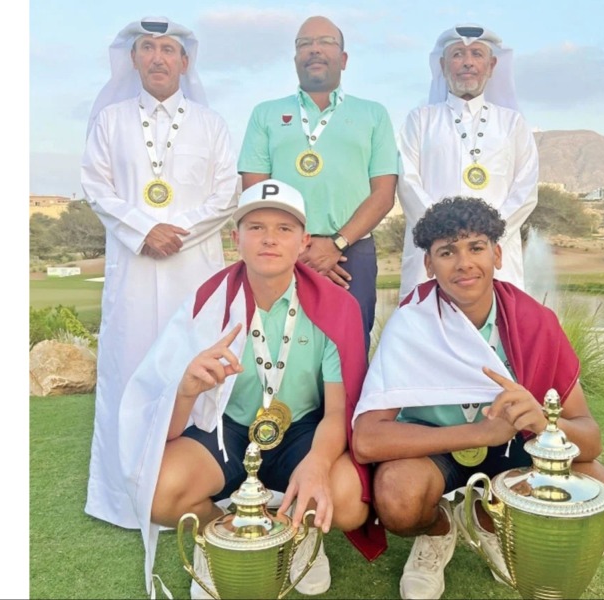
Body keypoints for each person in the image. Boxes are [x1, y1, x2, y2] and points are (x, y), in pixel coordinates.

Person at [117, 180, 386, 598]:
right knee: (157, 487)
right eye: (256, 227)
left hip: (301, 429)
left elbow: (337, 412)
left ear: (303, 242)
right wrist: (186, 389)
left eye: (284, 229)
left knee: (348, 498)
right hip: (228, 429)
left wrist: (316, 462)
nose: (269, 239)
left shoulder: (336, 307)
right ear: (235, 238)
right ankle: (220, 538)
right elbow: (163, 432)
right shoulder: (207, 302)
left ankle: (298, 536)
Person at [352, 197, 604, 600]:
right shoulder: (411, 325)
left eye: (476, 247)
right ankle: (439, 530)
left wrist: (542, 421)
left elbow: (589, 439)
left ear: (497, 254)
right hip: (438, 450)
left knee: (603, 489)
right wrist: (479, 432)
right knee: (399, 497)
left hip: (513, 447)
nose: (463, 263)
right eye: (447, 252)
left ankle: (488, 519)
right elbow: (367, 440)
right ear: (428, 265)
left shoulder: (534, 321)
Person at [80, 17, 239, 535]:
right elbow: (96, 187)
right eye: (147, 48)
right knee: (129, 371)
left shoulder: (211, 124)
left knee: (193, 370)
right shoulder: (109, 120)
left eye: (168, 49)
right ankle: (124, 499)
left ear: (185, 62)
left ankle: (191, 486)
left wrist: (176, 232)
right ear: (133, 59)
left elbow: (225, 195)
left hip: (194, 274)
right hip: (132, 272)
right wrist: (144, 231)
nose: (157, 58)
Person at [238, 15, 399, 346]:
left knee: (349, 347)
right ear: (295, 59)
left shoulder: (374, 114)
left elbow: (383, 194)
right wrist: (297, 247)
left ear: (343, 59)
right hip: (284, 251)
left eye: (325, 42)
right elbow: (255, 193)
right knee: (279, 345)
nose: (314, 50)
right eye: (304, 44)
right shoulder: (264, 114)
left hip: (351, 253)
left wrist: (336, 244)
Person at [396, 24, 538, 297]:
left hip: (496, 253)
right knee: (426, 330)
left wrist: (486, 238)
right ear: (443, 64)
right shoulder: (420, 120)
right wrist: (445, 237)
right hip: (433, 252)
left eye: (477, 54)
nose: (468, 62)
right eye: (458, 54)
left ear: (492, 64)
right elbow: (407, 182)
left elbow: (526, 189)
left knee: (497, 331)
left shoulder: (512, 123)